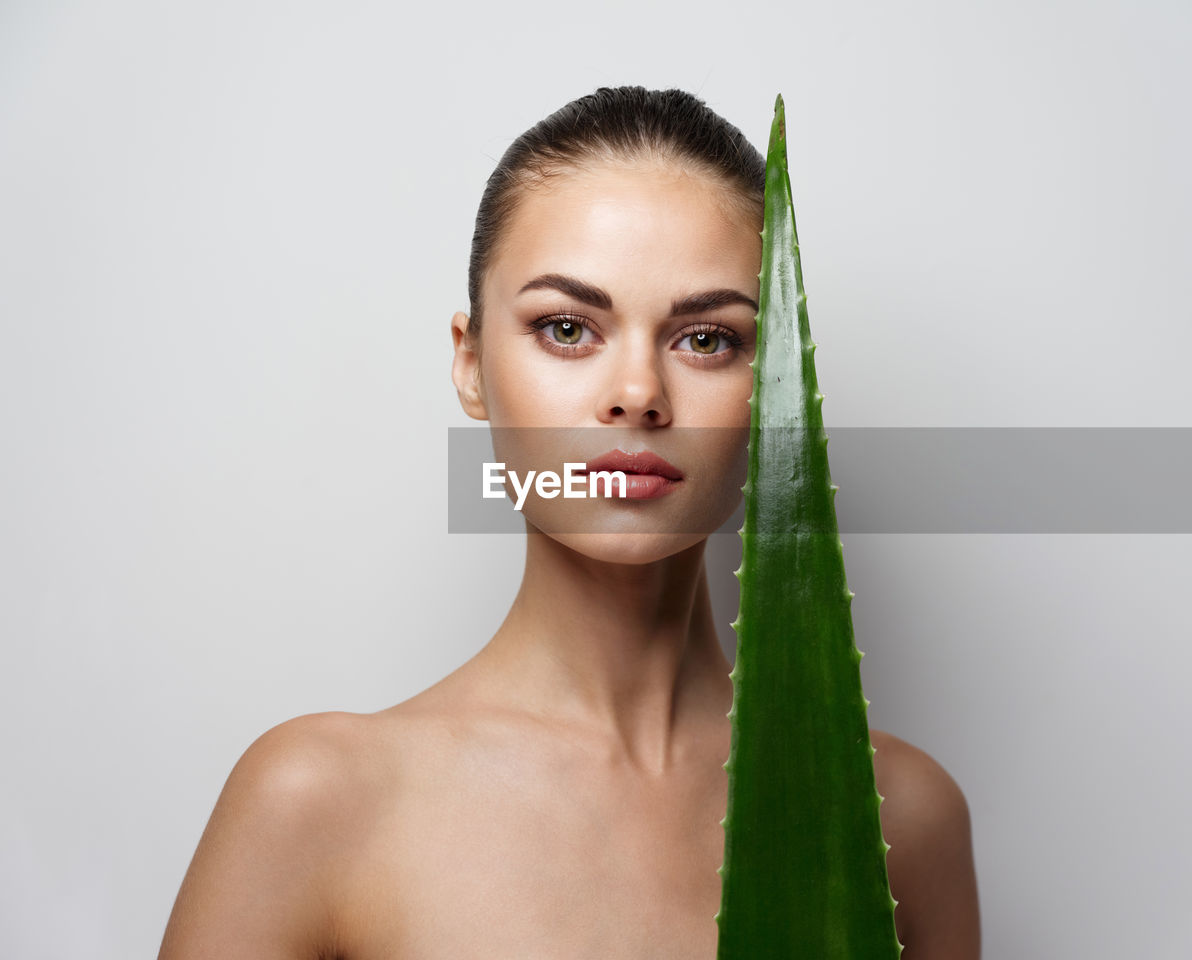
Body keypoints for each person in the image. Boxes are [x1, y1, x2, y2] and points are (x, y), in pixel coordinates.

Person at [158, 85, 980, 959]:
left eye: (707, 339)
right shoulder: (319, 802)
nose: (637, 394)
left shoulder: (898, 815)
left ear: (776, 383)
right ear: (471, 366)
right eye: (566, 328)